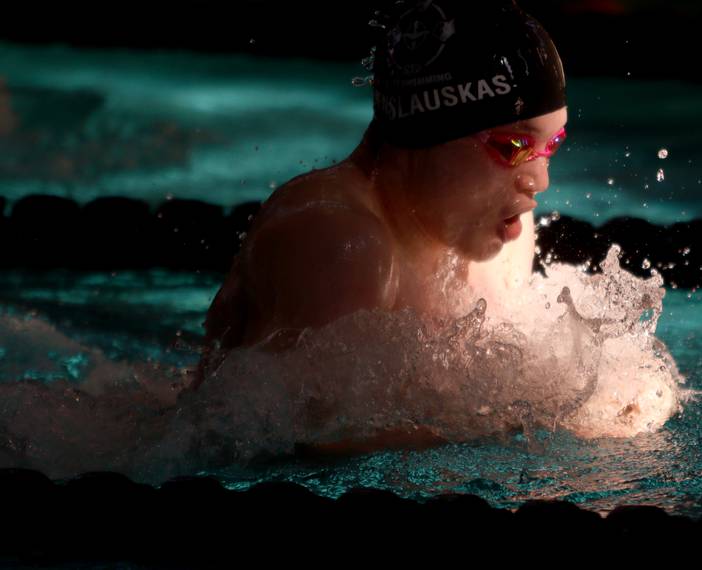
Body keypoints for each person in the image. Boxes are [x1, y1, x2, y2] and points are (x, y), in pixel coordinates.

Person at [194, 0, 568, 455]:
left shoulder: (508, 235)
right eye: (511, 146)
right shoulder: (337, 242)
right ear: (427, 132)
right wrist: (526, 424)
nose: (539, 181)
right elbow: (288, 447)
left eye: (550, 147)